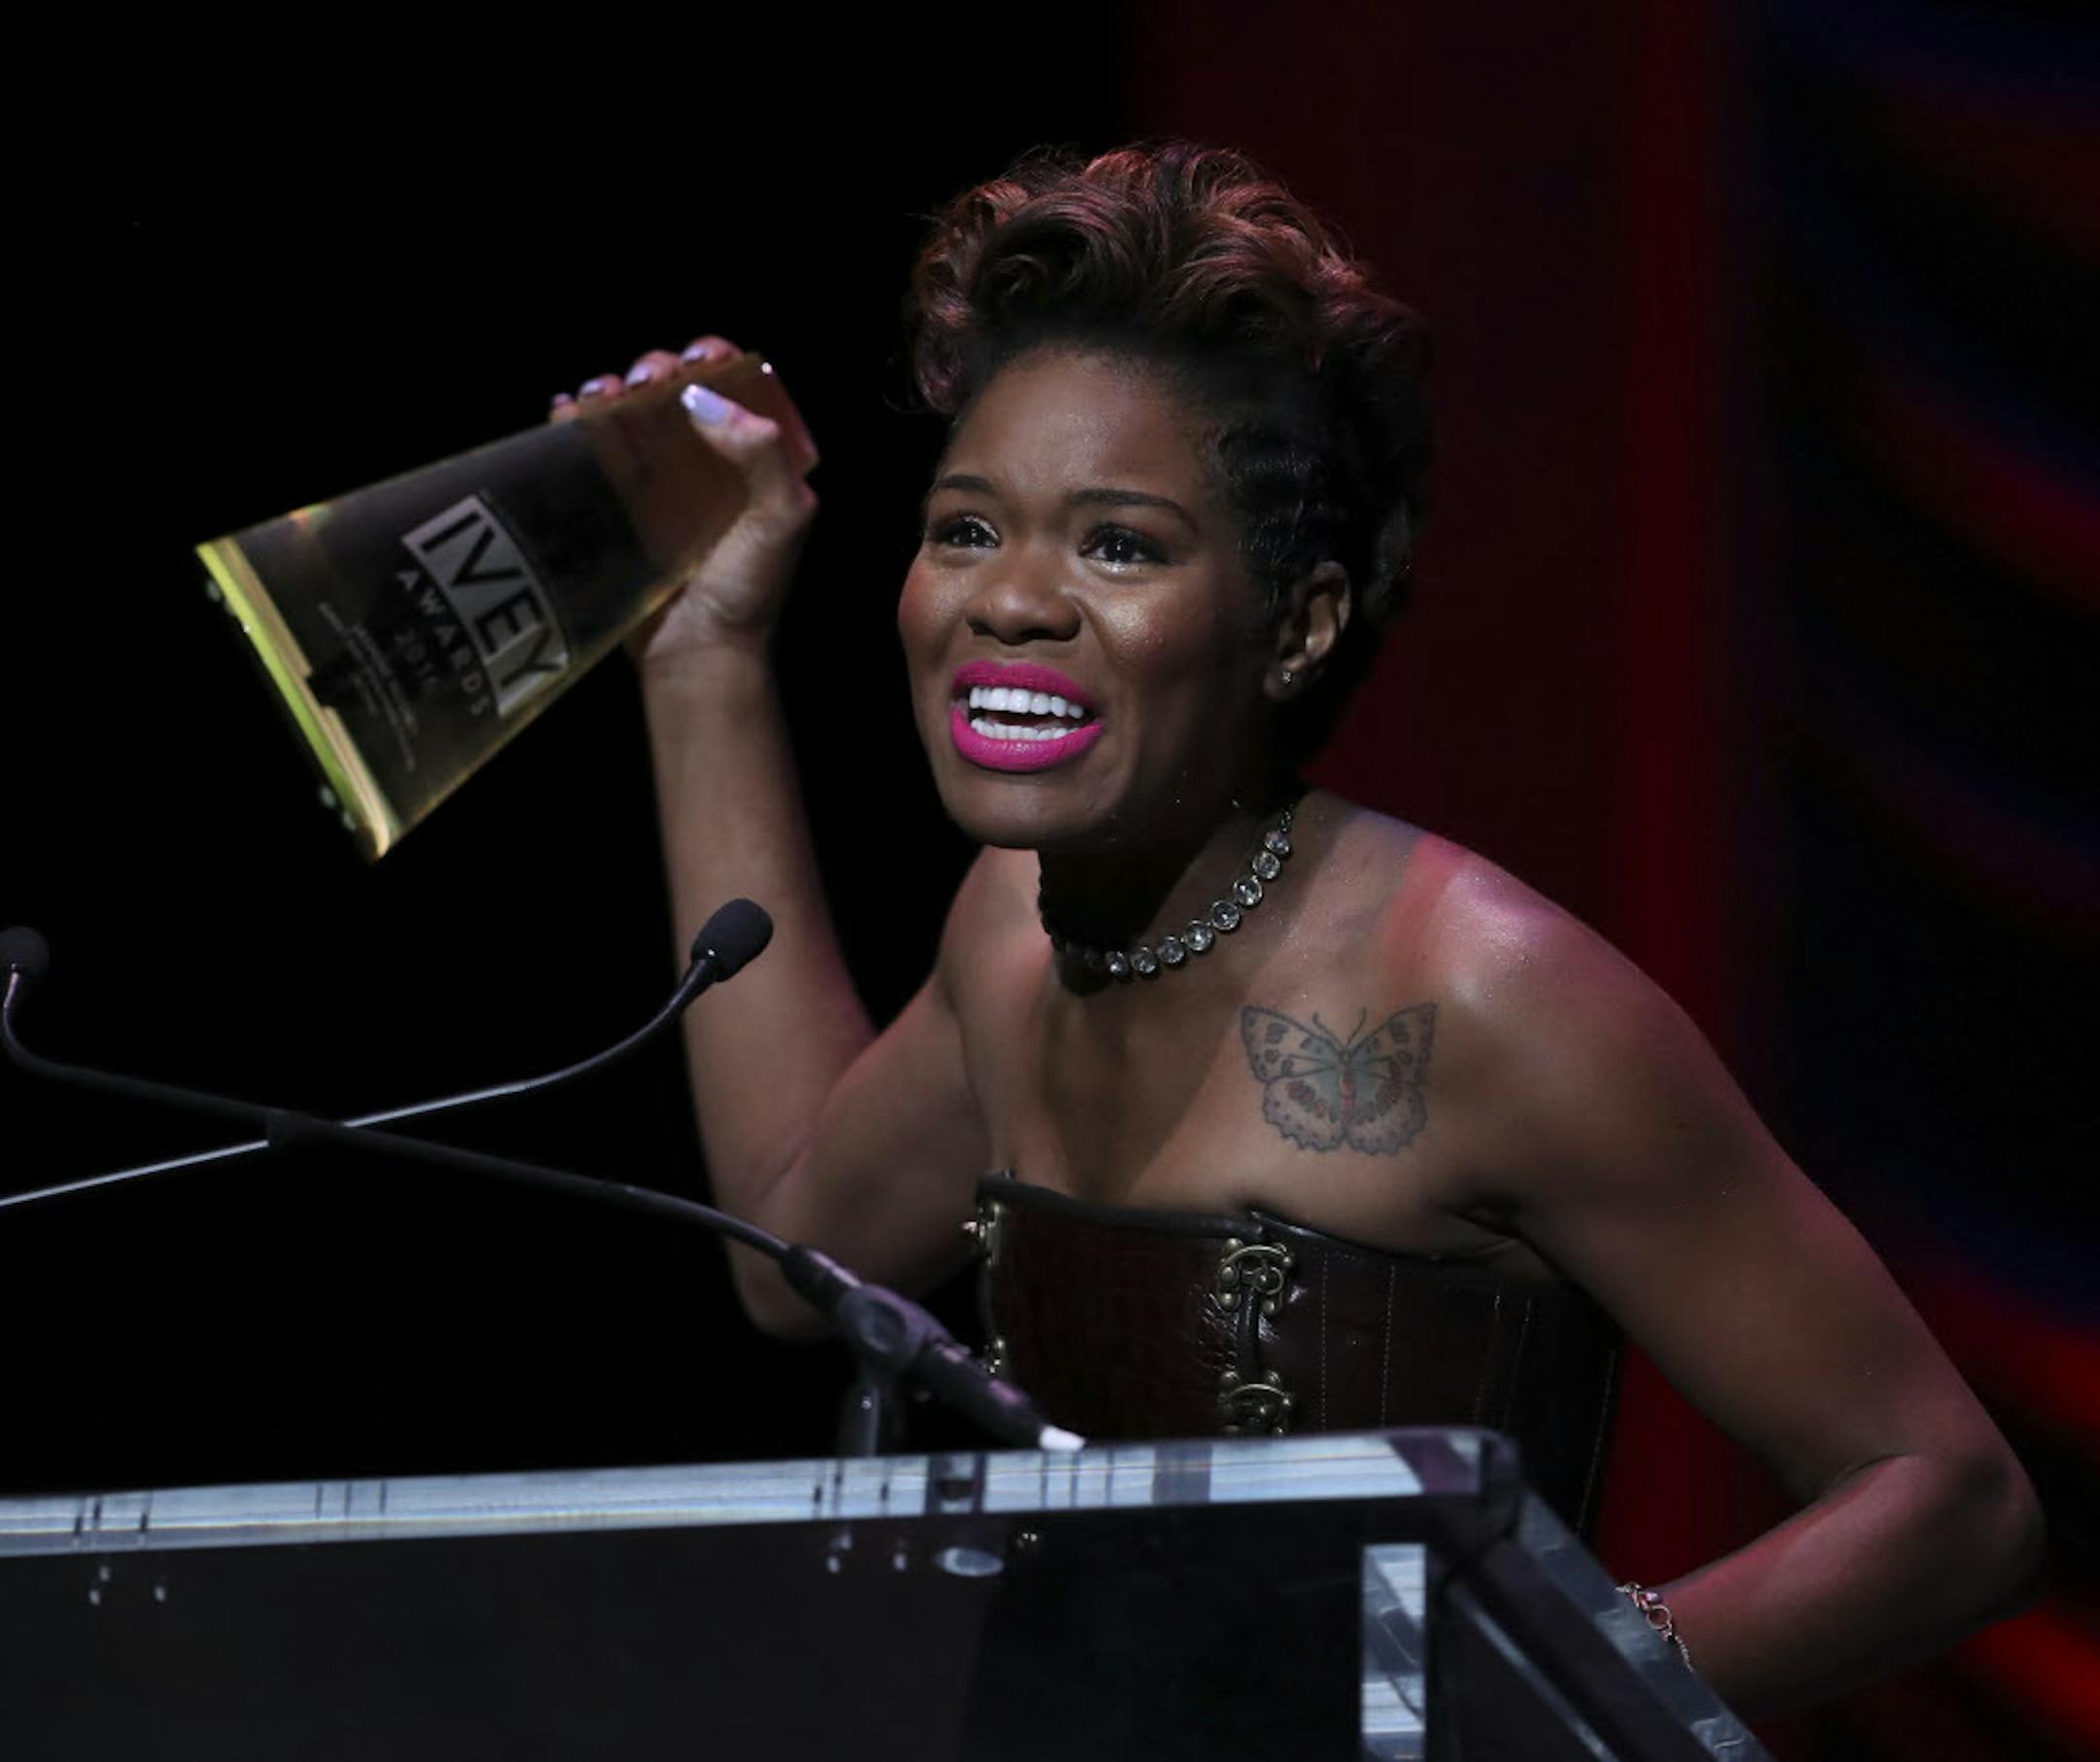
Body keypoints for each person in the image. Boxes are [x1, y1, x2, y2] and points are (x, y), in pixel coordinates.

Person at [553, 144, 2040, 1716]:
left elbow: (1949, 1499)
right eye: (969, 528)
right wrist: (702, 655)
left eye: (1119, 544)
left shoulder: (1482, 993)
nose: (1011, 602)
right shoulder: (1009, 927)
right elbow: (799, 1256)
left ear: (1299, 623)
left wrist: (1513, 1708)